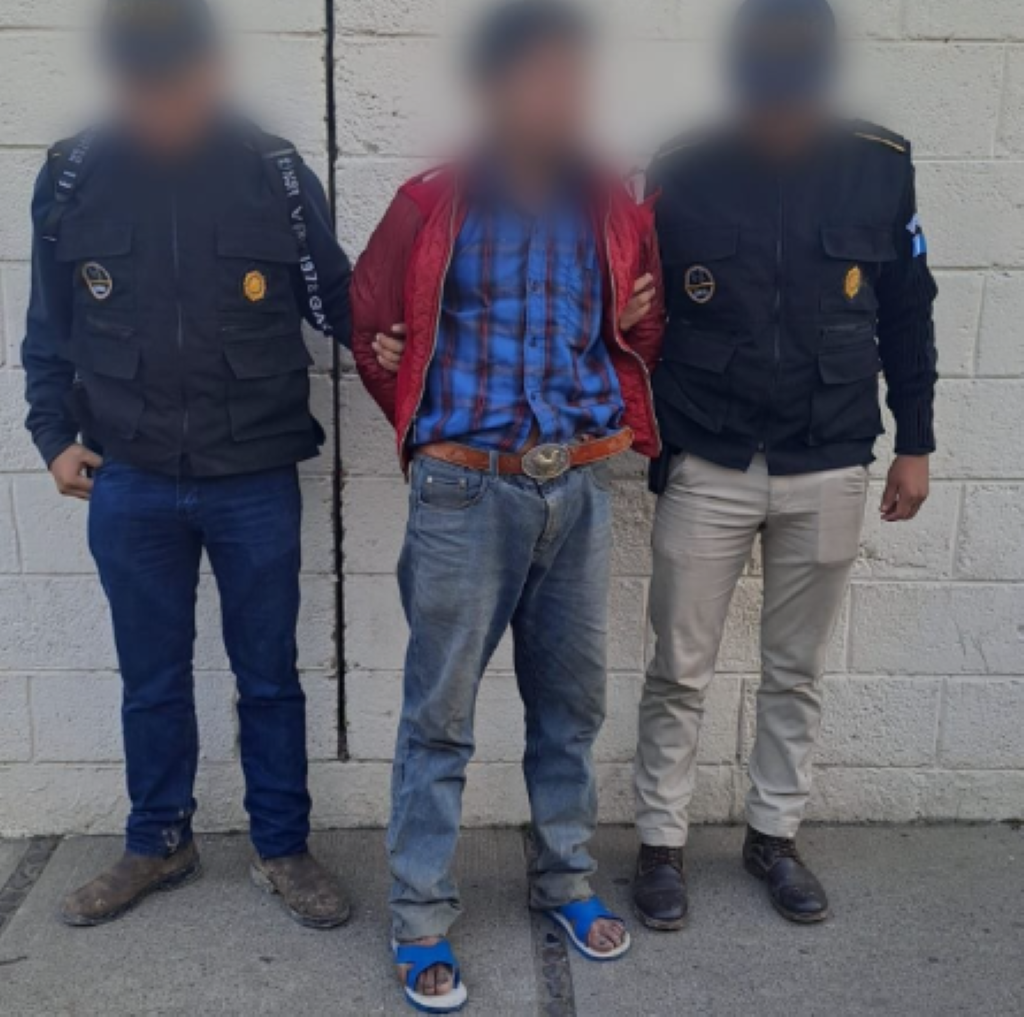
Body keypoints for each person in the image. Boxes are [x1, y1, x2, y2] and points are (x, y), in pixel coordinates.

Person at [350, 2, 664, 1011]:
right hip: (464, 492)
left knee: (570, 709)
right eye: (541, 76)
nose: (562, 96)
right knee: (438, 718)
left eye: (574, 77)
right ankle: (419, 916)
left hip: (578, 486)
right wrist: (422, 420)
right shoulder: (430, 202)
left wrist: (635, 329)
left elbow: (637, 336)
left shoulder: (609, 201)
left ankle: (565, 880)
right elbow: (373, 328)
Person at [23, 0, 353, 930]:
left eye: (178, 79)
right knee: (152, 677)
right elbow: (49, 326)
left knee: (269, 676)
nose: (161, 100)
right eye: (143, 82)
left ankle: (282, 846)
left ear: (210, 74)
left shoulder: (272, 170)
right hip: (127, 475)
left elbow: (339, 301)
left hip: (252, 473)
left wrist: (426, 343)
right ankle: (158, 840)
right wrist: (51, 436)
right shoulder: (73, 174)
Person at [632, 0, 939, 930]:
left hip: (829, 451)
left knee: (795, 669)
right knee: (679, 668)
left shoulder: (879, 166)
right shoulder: (683, 169)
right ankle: (660, 843)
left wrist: (916, 441)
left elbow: (908, 311)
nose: (780, 113)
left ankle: (773, 834)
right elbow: (641, 317)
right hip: (711, 452)